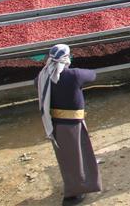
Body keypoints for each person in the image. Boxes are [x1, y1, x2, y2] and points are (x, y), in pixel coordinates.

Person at [36, 44, 102, 204]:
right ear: (66, 58)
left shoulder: (43, 77)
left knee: (66, 158)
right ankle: (75, 193)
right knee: (77, 157)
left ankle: (75, 187)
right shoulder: (74, 75)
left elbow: (37, 83)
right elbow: (92, 75)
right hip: (73, 124)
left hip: (55, 125)